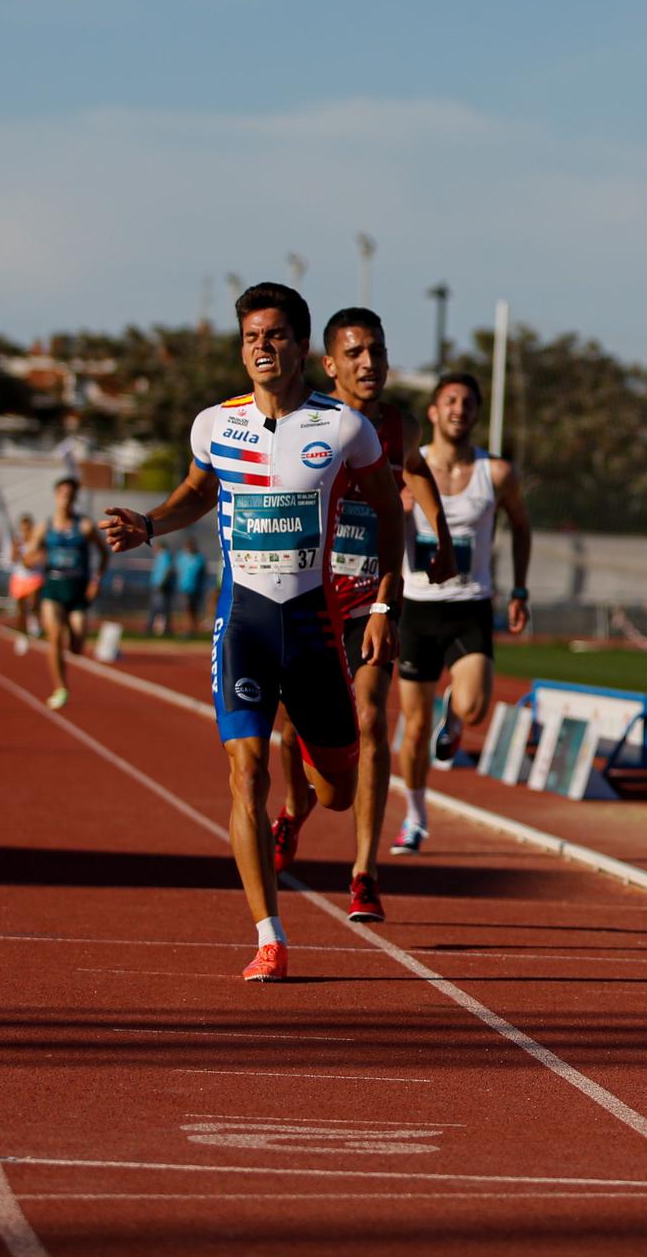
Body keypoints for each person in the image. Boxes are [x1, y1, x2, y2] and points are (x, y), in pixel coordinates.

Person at [98, 283, 407, 982]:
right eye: (250, 338)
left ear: (301, 347)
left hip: (313, 628)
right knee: (245, 773)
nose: (261, 349)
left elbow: (389, 513)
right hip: (243, 622)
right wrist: (149, 523)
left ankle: (310, 768)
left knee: (338, 791)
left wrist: (385, 601)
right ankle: (269, 935)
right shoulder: (216, 424)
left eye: (272, 337)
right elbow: (198, 491)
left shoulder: (343, 429)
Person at [272, 307, 455, 925]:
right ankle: (292, 813)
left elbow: (417, 474)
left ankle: (364, 874)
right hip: (306, 595)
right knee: (293, 732)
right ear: (330, 364)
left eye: (376, 351)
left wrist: (441, 534)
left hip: (371, 597)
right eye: (354, 354)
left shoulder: (397, 427)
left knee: (373, 717)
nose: (369, 363)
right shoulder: (309, 420)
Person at [390, 371, 531, 855]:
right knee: (411, 730)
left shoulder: (496, 474)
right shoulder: (411, 467)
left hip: (470, 605)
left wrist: (519, 589)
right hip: (417, 608)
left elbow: (522, 528)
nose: (458, 409)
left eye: (468, 403)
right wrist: (398, 506)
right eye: (449, 401)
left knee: (473, 708)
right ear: (433, 412)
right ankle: (415, 815)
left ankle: (451, 715)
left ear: (476, 413)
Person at [36, 478, 108, 709]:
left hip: (77, 592)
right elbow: (28, 555)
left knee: (76, 647)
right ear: (56, 496)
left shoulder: (84, 526)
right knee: (55, 635)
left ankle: (68, 628)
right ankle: (60, 687)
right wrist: (30, 557)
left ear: (75, 498)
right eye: (62, 493)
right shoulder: (45, 526)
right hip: (53, 589)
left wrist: (96, 580)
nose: (65, 498)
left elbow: (103, 553)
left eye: (70, 494)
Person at [6, 514, 43, 651]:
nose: (25, 530)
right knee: (21, 609)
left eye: (27, 527)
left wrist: (30, 561)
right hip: (19, 578)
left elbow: (39, 557)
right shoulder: (17, 540)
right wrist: (18, 553)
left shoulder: (37, 540)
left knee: (33, 602)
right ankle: (22, 634)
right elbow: (13, 558)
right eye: (23, 528)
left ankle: (34, 621)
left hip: (34, 577)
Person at [175, 536, 207, 636]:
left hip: (195, 588)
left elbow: (203, 572)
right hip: (184, 587)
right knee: (187, 609)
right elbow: (177, 569)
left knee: (193, 609)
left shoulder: (198, 558)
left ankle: (192, 629)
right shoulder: (181, 557)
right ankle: (189, 629)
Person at [147, 541, 177, 636]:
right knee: (158, 607)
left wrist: (162, 583)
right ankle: (157, 627)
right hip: (158, 584)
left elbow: (166, 570)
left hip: (161, 586)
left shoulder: (165, 556)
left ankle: (161, 627)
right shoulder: (161, 556)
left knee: (160, 608)